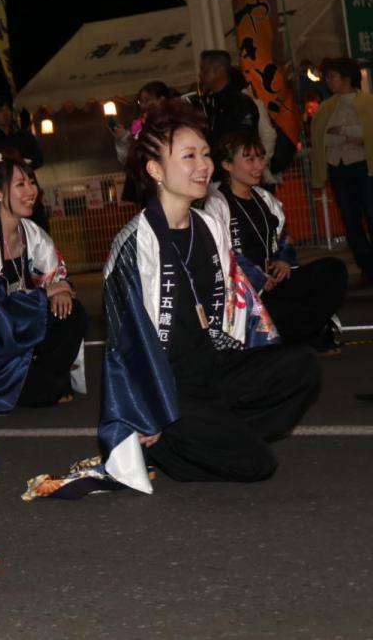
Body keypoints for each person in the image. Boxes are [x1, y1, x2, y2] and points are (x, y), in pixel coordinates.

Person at [27, 100, 319, 500]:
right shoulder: (133, 245)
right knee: (257, 464)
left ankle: (220, 431)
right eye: (188, 157)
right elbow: (125, 348)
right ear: (155, 170)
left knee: (302, 366)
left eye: (204, 154)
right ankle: (162, 448)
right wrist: (146, 410)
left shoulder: (209, 226)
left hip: (213, 368)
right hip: (168, 392)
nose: (204, 165)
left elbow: (240, 309)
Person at [0, 149, 86, 412]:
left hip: (22, 332)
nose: (31, 190)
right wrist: (45, 294)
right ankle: (45, 381)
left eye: (31, 182)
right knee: (43, 391)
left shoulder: (31, 231)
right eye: (20, 184)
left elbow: (56, 275)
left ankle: (48, 378)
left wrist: (61, 291)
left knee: (73, 313)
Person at [206, 132, 347, 350]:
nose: (259, 166)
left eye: (261, 158)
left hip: (276, 281)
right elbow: (223, 253)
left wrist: (283, 259)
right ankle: (307, 330)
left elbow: (283, 237)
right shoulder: (217, 204)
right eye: (250, 159)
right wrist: (256, 276)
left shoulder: (265, 198)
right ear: (227, 165)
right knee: (293, 313)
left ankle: (306, 328)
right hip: (248, 294)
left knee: (334, 269)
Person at [311, 57, 373, 286]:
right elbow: (320, 138)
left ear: (346, 78)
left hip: (366, 167)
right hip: (339, 168)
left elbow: (366, 135)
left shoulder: (368, 103)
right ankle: (367, 268)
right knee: (351, 220)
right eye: (327, 77)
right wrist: (351, 136)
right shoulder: (326, 107)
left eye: (332, 76)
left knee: (371, 215)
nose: (328, 81)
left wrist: (344, 134)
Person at [184, 50, 260, 147]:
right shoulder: (206, 104)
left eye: (205, 71)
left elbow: (243, 141)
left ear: (219, 71)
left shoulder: (241, 103)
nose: (200, 75)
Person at [0, 95, 43, 170]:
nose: (5, 113)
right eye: (0, 110)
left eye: (7, 109)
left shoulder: (24, 135)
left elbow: (39, 158)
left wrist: (25, 165)